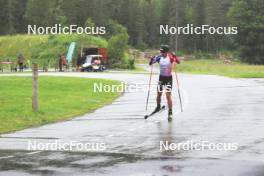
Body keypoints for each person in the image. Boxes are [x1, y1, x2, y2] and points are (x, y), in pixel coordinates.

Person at [149, 45, 180, 121]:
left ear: (166, 52)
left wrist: (175, 56)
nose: (161, 53)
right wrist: (152, 59)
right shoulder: (159, 57)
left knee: (167, 94)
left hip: (169, 78)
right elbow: (150, 63)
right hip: (161, 78)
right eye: (160, 51)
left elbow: (178, 62)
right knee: (158, 94)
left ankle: (170, 112)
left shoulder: (170, 58)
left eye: (162, 52)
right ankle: (158, 106)